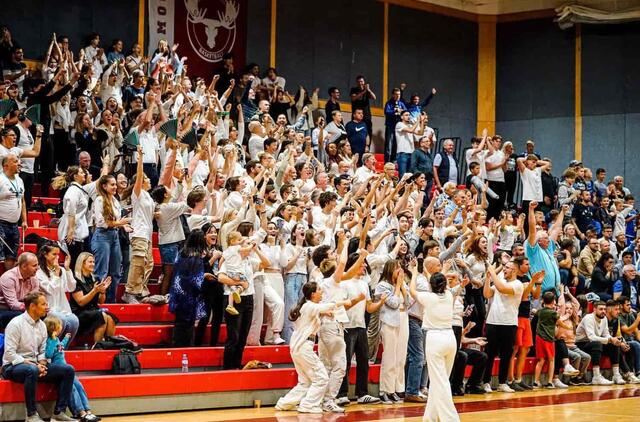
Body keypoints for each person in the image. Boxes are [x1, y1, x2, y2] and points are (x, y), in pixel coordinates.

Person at [275, 282, 350, 414]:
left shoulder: (308, 307)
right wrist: (343, 302)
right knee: (322, 377)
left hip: (299, 348)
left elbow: (318, 311)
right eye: (319, 290)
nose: (322, 292)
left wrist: (324, 313)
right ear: (313, 294)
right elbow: (327, 305)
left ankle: (285, 403)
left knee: (305, 382)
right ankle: (308, 405)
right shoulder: (309, 306)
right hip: (304, 347)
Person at [1, 291, 76, 422]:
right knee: (32, 370)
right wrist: (34, 365)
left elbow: (42, 350)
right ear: (32, 306)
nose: (47, 307)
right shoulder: (15, 324)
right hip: (12, 366)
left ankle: (59, 412)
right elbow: (10, 353)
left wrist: (42, 363)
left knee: (68, 370)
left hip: (35, 365)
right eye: (43, 304)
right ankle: (31, 415)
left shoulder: (42, 325)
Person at [44, 316, 101, 421]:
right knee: (72, 388)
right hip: (59, 369)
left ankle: (88, 410)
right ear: (53, 328)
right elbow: (48, 354)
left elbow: (60, 347)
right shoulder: (50, 340)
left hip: (66, 368)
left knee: (79, 386)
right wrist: (52, 341)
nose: (61, 328)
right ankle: (81, 412)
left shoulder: (56, 339)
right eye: (59, 326)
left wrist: (65, 339)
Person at [482, 262, 523, 393]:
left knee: (506, 355)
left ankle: (502, 383)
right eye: (504, 267)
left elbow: (502, 289)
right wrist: (488, 278)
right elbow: (487, 294)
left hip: (509, 323)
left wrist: (492, 272)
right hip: (492, 322)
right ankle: (486, 382)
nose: (504, 269)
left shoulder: (518, 284)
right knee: (489, 353)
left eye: (507, 268)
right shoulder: (499, 282)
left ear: (514, 270)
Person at [169, 230, 215, 346]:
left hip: (178, 292)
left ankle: (177, 347)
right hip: (189, 296)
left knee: (179, 325)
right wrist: (204, 275)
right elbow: (195, 280)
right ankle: (185, 349)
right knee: (187, 326)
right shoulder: (196, 257)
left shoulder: (182, 253)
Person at [122, 146, 155, 303]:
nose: (149, 180)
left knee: (149, 264)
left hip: (147, 233)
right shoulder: (138, 193)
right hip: (139, 232)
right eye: (146, 179)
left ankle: (140, 289)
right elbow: (140, 175)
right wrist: (140, 158)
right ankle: (129, 291)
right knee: (138, 262)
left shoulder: (148, 196)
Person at [375, 259, 409, 404]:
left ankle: (397, 388)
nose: (400, 270)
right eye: (396, 268)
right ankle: (385, 390)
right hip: (389, 321)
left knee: (401, 357)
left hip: (403, 318)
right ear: (389, 269)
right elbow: (394, 303)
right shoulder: (382, 286)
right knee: (389, 357)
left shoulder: (401, 284)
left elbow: (408, 302)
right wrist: (398, 286)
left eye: (400, 267)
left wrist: (402, 287)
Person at [70, 253, 117, 345]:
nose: (93, 264)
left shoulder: (95, 278)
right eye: (90, 262)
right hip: (79, 312)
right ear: (82, 263)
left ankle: (109, 345)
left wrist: (103, 291)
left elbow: (101, 301)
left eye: (94, 262)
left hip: (93, 310)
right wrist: (94, 291)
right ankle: (97, 346)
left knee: (110, 318)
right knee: (101, 316)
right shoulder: (75, 280)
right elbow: (81, 302)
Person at [36, 243, 79, 342]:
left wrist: (67, 269)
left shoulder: (62, 270)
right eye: (54, 254)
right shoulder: (39, 272)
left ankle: (63, 348)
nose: (57, 257)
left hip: (62, 307)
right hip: (48, 309)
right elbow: (50, 290)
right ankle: (52, 346)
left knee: (74, 320)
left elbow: (71, 288)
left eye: (58, 254)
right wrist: (56, 274)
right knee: (61, 320)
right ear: (45, 255)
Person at [575, 300, 624, 385]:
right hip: (581, 344)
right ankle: (596, 377)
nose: (603, 311)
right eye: (601, 309)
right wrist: (609, 340)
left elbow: (606, 334)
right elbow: (591, 337)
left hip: (594, 343)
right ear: (594, 309)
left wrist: (613, 339)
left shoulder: (604, 318)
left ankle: (616, 375)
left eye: (604, 309)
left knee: (614, 345)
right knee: (597, 343)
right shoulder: (588, 318)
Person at [0, 153, 28, 270]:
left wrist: (24, 220)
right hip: (1, 223)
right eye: (15, 161)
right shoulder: (1, 180)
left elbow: (22, 201)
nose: (19, 163)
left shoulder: (20, 180)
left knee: (11, 256)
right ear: (6, 165)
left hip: (14, 225)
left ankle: (7, 280)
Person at [0, 252, 39, 328]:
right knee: (22, 316)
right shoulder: (9, 278)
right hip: (4, 308)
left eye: (37, 265)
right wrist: (32, 308)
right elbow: (13, 304)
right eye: (34, 265)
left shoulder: (34, 278)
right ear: (24, 266)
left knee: (43, 314)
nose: (37, 268)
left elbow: (34, 298)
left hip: (21, 306)